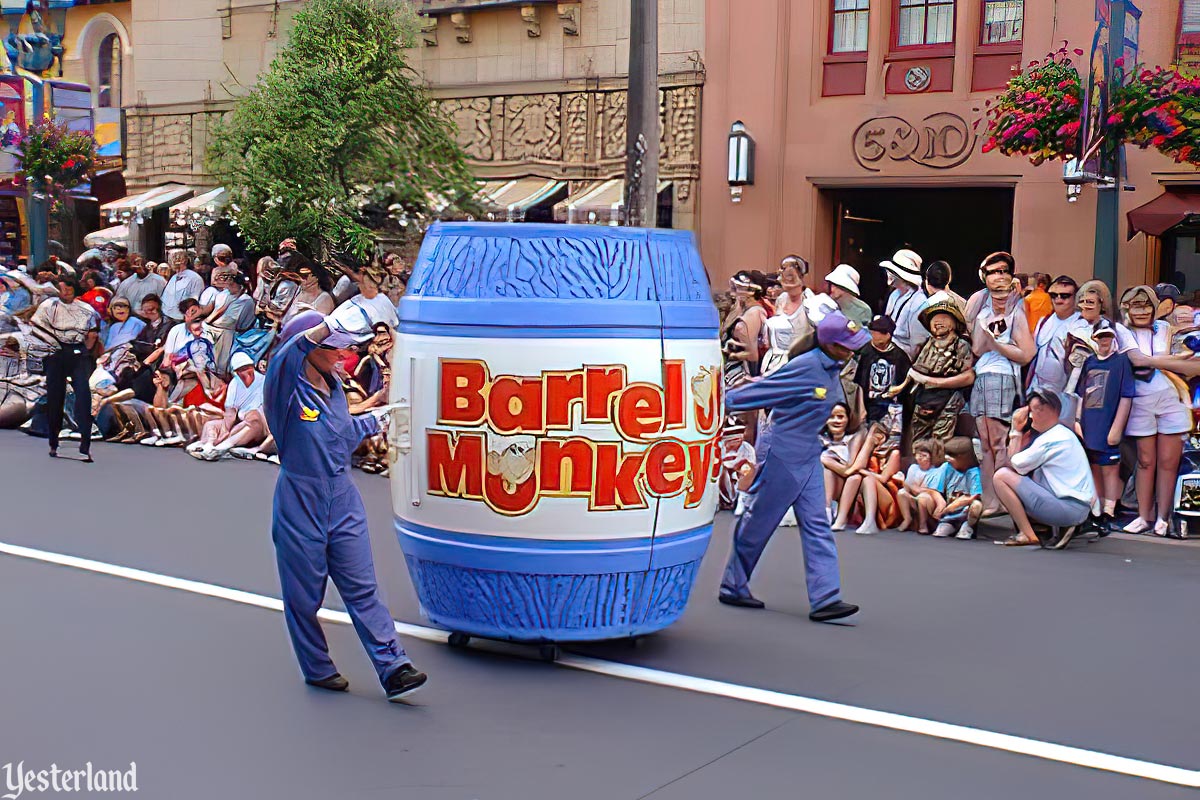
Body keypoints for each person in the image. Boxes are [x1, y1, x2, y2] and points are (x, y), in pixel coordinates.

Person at [263, 310, 426, 701]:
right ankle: (317, 668)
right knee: (304, 597)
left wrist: (382, 418)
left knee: (363, 588)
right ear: (308, 348)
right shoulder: (285, 385)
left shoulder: (334, 386)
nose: (340, 355)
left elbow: (342, 432)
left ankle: (394, 666)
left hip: (342, 498)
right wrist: (327, 322)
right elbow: (289, 351)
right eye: (331, 347)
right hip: (300, 500)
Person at [718, 311, 867, 623]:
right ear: (830, 345)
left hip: (808, 453)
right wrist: (715, 401)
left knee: (817, 525)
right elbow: (761, 392)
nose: (852, 349)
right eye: (846, 345)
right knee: (760, 523)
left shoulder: (831, 366)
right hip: (782, 454)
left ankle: (826, 598)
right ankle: (733, 584)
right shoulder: (808, 366)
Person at [1115, 285, 1200, 535]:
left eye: (1146, 305)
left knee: (1168, 462)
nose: (1141, 311)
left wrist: (1171, 362)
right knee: (1145, 461)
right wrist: (1172, 362)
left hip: (1172, 399)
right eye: (1135, 305)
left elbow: (1191, 365)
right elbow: (1138, 360)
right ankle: (1144, 516)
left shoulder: (1163, 328)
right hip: (1140, 400)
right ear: (1126, 308)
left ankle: (1163, 518)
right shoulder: (1120, 330)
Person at [970, 252, 1035, 515]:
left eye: (1004, 271)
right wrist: (989, 339)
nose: (999, 276)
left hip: (1001, 376)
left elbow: (1027, 353)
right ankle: (991, 500)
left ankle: (1001, 499)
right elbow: (976, 346)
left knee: (997, 442)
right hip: (983, 375)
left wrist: (997, 344)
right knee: (985, 444)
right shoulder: (980, 306)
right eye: (993, 271)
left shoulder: (1017, 311)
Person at [994, 391, 1098, 549]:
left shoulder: (1051, 438)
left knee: (1001, 477)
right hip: (1076, 506)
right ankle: (1048, 528)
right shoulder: (1063, 434)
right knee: (1030, 475)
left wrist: (1016, 430)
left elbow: (1013, 464)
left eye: (1034, 410)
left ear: (1049, 410)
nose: (1030, 417)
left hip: (1069, 508)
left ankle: (1027, 534)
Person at [27, 278, 100, 461]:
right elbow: (36, 327)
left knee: (83, 395)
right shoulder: (49, 306)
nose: (66, 292)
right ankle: (53, 441)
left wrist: (85, 351)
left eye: (69, 289)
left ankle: (85, 443)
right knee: (55, 397)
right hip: (55, 353)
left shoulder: (86, 309)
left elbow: (92, 333)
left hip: (77, 352)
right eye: (63, 289)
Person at [1073, 319, 1135, 532]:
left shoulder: (1121, 362)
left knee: (1110, 468)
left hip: (1108, 423)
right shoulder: (1090, 362)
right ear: (1095, 338)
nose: (1104, 340)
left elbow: (1126, 396)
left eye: (1108, 336)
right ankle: (1096, 508)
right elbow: (1081, 393)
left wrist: (1117, 427)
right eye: (1101, 336)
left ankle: (1110, 509)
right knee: (1094, 467)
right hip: (1090, 423)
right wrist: (1078, 420)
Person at [905, 295, 975, 444]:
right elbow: (917, 370)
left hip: (948, 399)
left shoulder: (961, 346)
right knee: (918, 442)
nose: (938, 322)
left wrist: (934, 382)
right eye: (934, 318)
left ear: (954, 323)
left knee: (939, 443)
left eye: (943, 317)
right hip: (923, 399)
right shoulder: (928, 344)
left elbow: (968, 377)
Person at [187, 351, 267, 461]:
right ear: (237, 372)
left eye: (249, 367)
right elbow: (230, 412)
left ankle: (221, 448)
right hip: (238, 421)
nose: (248, 371)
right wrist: (225, 430)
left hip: (259, 425)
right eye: (242, 369)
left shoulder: (264, 381)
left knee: (253, 416)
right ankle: (208, 445)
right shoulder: (234, 384)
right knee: (211, 425)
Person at [1028, 275, 1088, 398]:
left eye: (1065, 296)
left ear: (1076, 297)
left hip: (1065, 397)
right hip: (1035, 393)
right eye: (1053, 295)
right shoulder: (1043, 321)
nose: (1058, 300)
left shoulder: (1082, 324)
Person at [921, 436, 983, 539]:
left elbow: (974, 496)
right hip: (948, 515)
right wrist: (941, 503)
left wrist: (950, 508)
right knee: (940, 531)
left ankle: (968, 526)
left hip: (964, 512)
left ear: (963, 458)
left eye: (952, 457)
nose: (948, 459)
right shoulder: (947, 467)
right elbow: (932, 489)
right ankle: (948, 525)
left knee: (976, 505)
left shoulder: (974, 472)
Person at [760, 260, 814, 376]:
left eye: (790, 275)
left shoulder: (810, 301)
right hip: (773, 364)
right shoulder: (782, 299)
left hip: (798, 365)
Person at [854, 314, 908, 426]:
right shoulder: (866, 351)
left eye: (876, 333)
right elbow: (858, 381)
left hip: (892, 407)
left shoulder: (900, 356)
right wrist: (860, 407)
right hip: (869, 404)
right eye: (872, 333)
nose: (873, 336)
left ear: (887, 335)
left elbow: (906, 384)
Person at [721, 270, 771, 381]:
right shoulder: (742, 310)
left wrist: (730, 355)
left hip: (741, 376)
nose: (734, 292)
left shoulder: (753, 313)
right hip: (731, 371)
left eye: (739, 288)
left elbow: (752, 355)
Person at [880, 249, 928, 359]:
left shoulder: (919, 303)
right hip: (886, 350)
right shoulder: (894, 295)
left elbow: (917, 344)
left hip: (902, 358)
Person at [897, 438, 943, 532]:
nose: (920, 458)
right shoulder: (913, 468)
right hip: (914, 498)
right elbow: (907, 487)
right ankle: (907, 518)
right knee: (901, 493)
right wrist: (904, 482)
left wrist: (914, 488)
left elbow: (931, 491)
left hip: (928, 502)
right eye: (919, 455)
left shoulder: (936, 471)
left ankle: (923, 524)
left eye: (924, 455)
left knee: (923, 497)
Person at [160, 249, 205, 324]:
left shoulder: (195, 278)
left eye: (176, 258)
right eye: (171, 258)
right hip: (167, 317)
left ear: (184, 260)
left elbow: (194, 301)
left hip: (181, 319)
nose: (172, 262)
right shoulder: (173, 277)